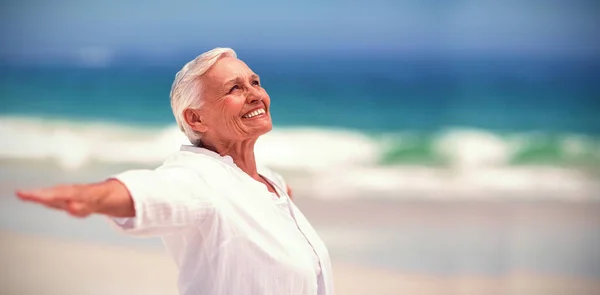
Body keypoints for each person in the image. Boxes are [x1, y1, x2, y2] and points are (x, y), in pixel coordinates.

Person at [15, 47, 334, 295]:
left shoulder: (266, 180)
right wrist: (91, 195)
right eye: (234, 89)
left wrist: (275, 196)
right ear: (196, 119)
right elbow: (156, 190)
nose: (255, 94)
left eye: (255, 82)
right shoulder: (197, 179)